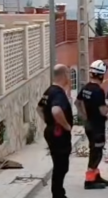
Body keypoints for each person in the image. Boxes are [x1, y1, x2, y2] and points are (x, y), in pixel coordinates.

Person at [75, 60, 108, 190]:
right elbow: (102, 110)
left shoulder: (86, 88)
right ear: (101, 75)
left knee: (94, 150)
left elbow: (77, 102)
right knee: (96, 153)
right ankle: (89, 180)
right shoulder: (99, 91)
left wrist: (84, 116)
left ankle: (96, 175)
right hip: (97, 127)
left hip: (89, 125)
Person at [37, 64, 73, 198]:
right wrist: (66, 126)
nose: (69, 77)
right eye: (69, 74)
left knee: (59, 164)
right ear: (64, 75)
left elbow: (39, 108)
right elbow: (56, 110)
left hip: (51, 131)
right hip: (59, 134)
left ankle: (58, 193)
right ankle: (58, 194)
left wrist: (48, 122)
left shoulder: (49, 91)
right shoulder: (58, 93)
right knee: (61, 166)